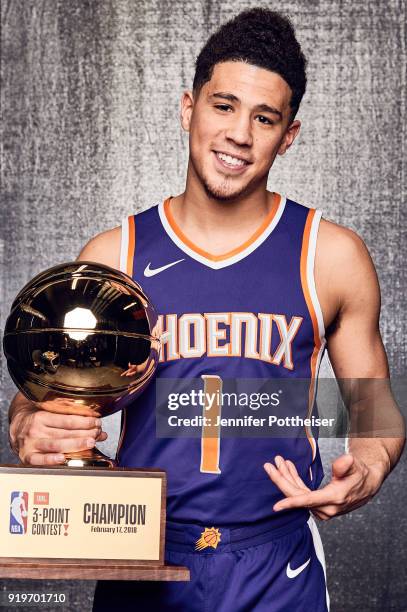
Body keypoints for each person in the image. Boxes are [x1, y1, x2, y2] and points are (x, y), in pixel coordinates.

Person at [7, 8, 405, 612]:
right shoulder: (115, 255)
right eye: (223, 106)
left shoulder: (330, 255)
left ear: (288, 134)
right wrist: (27, 424)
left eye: (264, 117)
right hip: (143, 552)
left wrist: (369, 467)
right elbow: (47, 391)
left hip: (278, 563)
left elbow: (375, 415)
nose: (239, 134)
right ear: (189, 108)